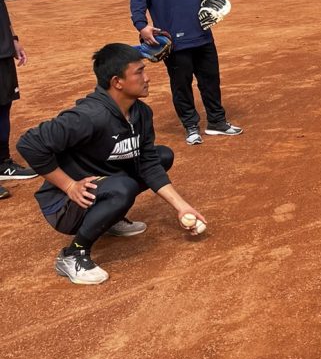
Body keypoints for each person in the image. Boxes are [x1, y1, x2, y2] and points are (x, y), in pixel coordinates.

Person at [17, 44, 206, 285]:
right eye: (139, 72)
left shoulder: (141, 113)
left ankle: (109, 217)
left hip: (102, 185)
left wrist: (182, 207)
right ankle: (73, 254)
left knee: (162, 156)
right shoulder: (89, 116)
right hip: (66, 204)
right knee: (124, 187)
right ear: (117, 82)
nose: (147, 78)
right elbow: (29, 144)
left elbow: (148, 164)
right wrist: (69, 185)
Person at [130, 0, 242, 146]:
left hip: (202, 32)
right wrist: (142, 25)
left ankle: (217, 121)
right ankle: (191, 126)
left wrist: (213, 1)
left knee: (210, 79)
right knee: (181, 84)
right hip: (174, 37)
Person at [0, 0, 38, 200]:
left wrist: (13, 38)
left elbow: (1, 5)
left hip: (2, 50)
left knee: (3, 105)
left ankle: (2, 162)